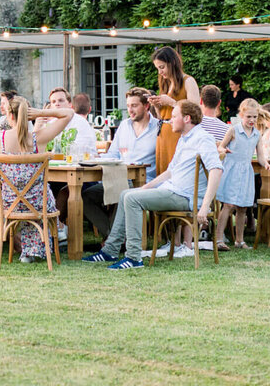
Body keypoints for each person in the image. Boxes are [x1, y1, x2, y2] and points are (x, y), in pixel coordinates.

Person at [86, 100, 222, 269]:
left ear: (186, 118)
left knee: (132, 199)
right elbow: (170, 171)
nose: (170, 120)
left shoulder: (203, 138)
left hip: (184, 196)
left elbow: (216, 170)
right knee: (126, 194)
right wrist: (144, 188)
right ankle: (111, 251)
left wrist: (205, 206)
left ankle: (134, 258)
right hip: (172, 190)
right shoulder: (184, 139)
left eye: (174, 116)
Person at [0, 96, 72, 262]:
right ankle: (41, 245)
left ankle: (31, 250)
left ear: (9, 116)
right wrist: (41, 112)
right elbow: (69, 114)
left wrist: (2, 174)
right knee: (44, 196)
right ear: (29, 115)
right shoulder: (38, 138)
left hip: (10, 203)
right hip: (38, 203)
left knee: (29, 198)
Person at [81, 88, 160, 238]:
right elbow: (112, 154)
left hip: (145, 181)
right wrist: (93, 160)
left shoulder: (159, 127)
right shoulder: (124, 126)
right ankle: (113, 236)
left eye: (134, 105)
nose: (130, 110)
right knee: (86, 197)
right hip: (118, 177)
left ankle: (113, 240)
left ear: (146, 106)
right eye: (128, 105)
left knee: (122, 191)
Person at [214, 98, 270, 250]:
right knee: (228, 205)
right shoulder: (233, 130)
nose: (252, 120)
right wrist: (223, 150)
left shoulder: (257, 135)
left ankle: (239, 240)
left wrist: (265, 163)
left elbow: (260, 156)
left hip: (246, 172)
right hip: (232, 170)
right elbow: (220, 147)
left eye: (254, 117)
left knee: (243, 207)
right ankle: (219, 239)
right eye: (248, 117)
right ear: (241, 115)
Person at [150, 46, 200, 175]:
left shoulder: (188, 81)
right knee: (162, 172)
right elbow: (162, 116)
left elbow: (196, 111)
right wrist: (156, 105)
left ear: (172, 63)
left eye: (162, 67)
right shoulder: (166, 83)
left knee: (176, 172)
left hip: (178, 134)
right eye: (158, 69)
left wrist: (171, 102)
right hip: (163, 134)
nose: (160, 72)